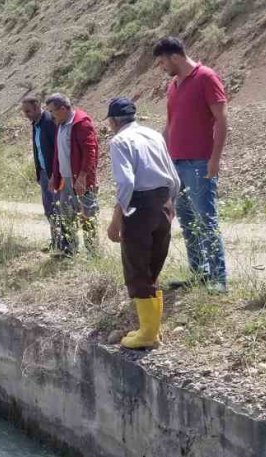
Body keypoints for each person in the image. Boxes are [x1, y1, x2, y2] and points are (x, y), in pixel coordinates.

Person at [103, 97, 180, 351]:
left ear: (113, 121)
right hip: (163, 202)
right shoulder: (154, 135)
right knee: (152, 268)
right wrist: (171, 206)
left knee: (137, 268)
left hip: (139, 206)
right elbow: (174, 177)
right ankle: (152, 330)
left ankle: (147, 334)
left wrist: (117, 219)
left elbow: (125, 183)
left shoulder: (119, 141)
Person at [153, 36, 228, 292]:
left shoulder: (206, 77)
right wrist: (160, 156)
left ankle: (219, 279)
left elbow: (221, 120)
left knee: (206, 220)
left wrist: (215, 159)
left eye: (162, 61)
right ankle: (199, 273)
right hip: (176, 164)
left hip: (199, 163)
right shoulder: (173, 85)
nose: (162, 67)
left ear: (175, 56)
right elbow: (170, 125)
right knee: (186, 221)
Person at [44, 94, 100, 257]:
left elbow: (91, 152)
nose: (51, 115)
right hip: (65, 180)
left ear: (63, 108)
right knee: (66, 214)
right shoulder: (60, 125)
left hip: (81, 180)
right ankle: (71, 251)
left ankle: (93, 254)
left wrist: (83, 176)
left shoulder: (81, 123)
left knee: (88, 216)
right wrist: (55, 174)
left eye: (52, 111)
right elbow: (58, 153)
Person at [20, 97, 61, 252]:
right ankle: (56, 243)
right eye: (24, 112)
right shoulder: (36, 124)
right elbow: (38, 150)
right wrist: (40, 174)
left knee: (57, 209)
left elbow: (57, 149)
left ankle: (64, 246)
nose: (26, 114)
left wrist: (55, 174)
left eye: (28, 111)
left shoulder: (49, 121)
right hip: (44, 173)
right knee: (49, 209)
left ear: (37, 107)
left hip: (54, 174)